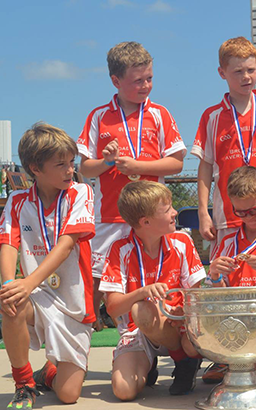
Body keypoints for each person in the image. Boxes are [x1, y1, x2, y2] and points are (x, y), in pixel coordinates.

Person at [77, 41, 186, 330]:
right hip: (110, 215)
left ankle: (149, 340)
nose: (146, 86)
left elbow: (176, 163)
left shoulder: (160, 114)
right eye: (137, 81)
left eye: (149, 78)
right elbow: (85, 167)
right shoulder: (99, 117)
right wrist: (107, 162)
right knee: (97, 281)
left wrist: (139, 167)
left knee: (150, 276)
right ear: (116, 81)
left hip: (150, 217)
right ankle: (86, 341)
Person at [0, 122, 96, 408]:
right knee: (11, 301)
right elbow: (8, 245)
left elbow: (66, 245)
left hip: (73, 302)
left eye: (71, 163)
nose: (70, 170)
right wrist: (9, 285)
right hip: (36, 294)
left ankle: (48, 373)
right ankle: (23, 382)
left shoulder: (81, 193)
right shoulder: (16, 200)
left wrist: (28, 282)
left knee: (68, 395)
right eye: (60, 164)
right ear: (36, 169)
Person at [99, 181, 205, 400]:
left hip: (178, 327)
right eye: (167, 210)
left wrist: (183, 312)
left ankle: (185, 362)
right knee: (124, 390)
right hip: (138, 330)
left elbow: (196, 294)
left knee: (192, 341)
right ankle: (148, 363)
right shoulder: (120, 248)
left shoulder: (182, 241)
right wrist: (142, 292)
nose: (175, 212)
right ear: (145, 221)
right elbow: (112, 307)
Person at [192, 36, 256, 250]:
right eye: (238, 72)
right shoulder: (211, 117)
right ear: (222, 73)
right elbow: (205, 167)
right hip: (228, 217)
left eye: (251, 70)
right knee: (227, 275)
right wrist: (203, 212)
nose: (246, 77)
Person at [199, 165, 256, 385]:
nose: (249, 217)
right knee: (244, 383)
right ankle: (227, 363)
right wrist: (216, 275)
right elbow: (217, 298)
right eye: (241, 212)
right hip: (237, 325)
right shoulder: (228, 243)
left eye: (255, 209)